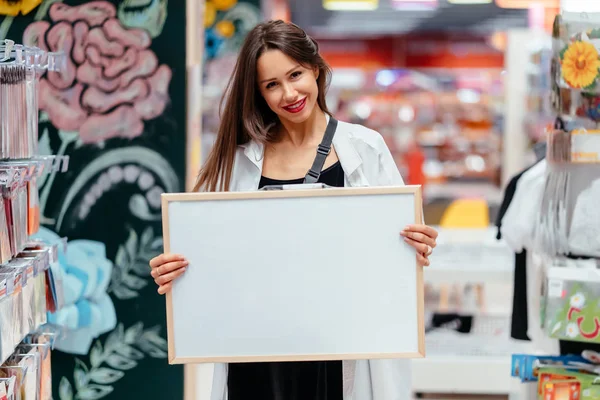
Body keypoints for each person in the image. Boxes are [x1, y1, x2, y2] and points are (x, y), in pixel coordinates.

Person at [149, 20, 438, 400]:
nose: (289, 93)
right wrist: (176, 271)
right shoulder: (236, 162)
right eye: (272, 85)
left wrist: (418, 245)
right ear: (259, 94)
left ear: (315, 68)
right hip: (257, 354)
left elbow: (395, 251)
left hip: (340, 351)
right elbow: (210, 255)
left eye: (295, 74)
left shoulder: (365, 148)